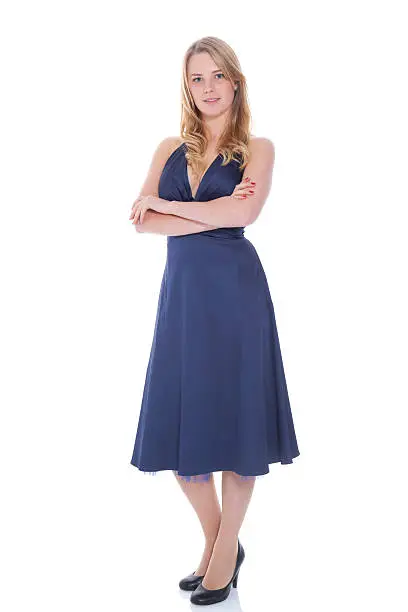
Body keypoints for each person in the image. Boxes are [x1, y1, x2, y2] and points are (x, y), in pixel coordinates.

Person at [128, 36, 300, 605]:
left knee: (237, 425)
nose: (207, 87)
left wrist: (170, 206)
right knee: (181, 431)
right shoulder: (168, 148)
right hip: (183, 300)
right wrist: (203, 213)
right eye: (197, 78)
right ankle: (219, 539)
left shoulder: (259, 147)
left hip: (236, 297)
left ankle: (221, 555)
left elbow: (245, 212)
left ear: (236, 82)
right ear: (188, 86)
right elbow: (141, 222)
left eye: (217, 76)